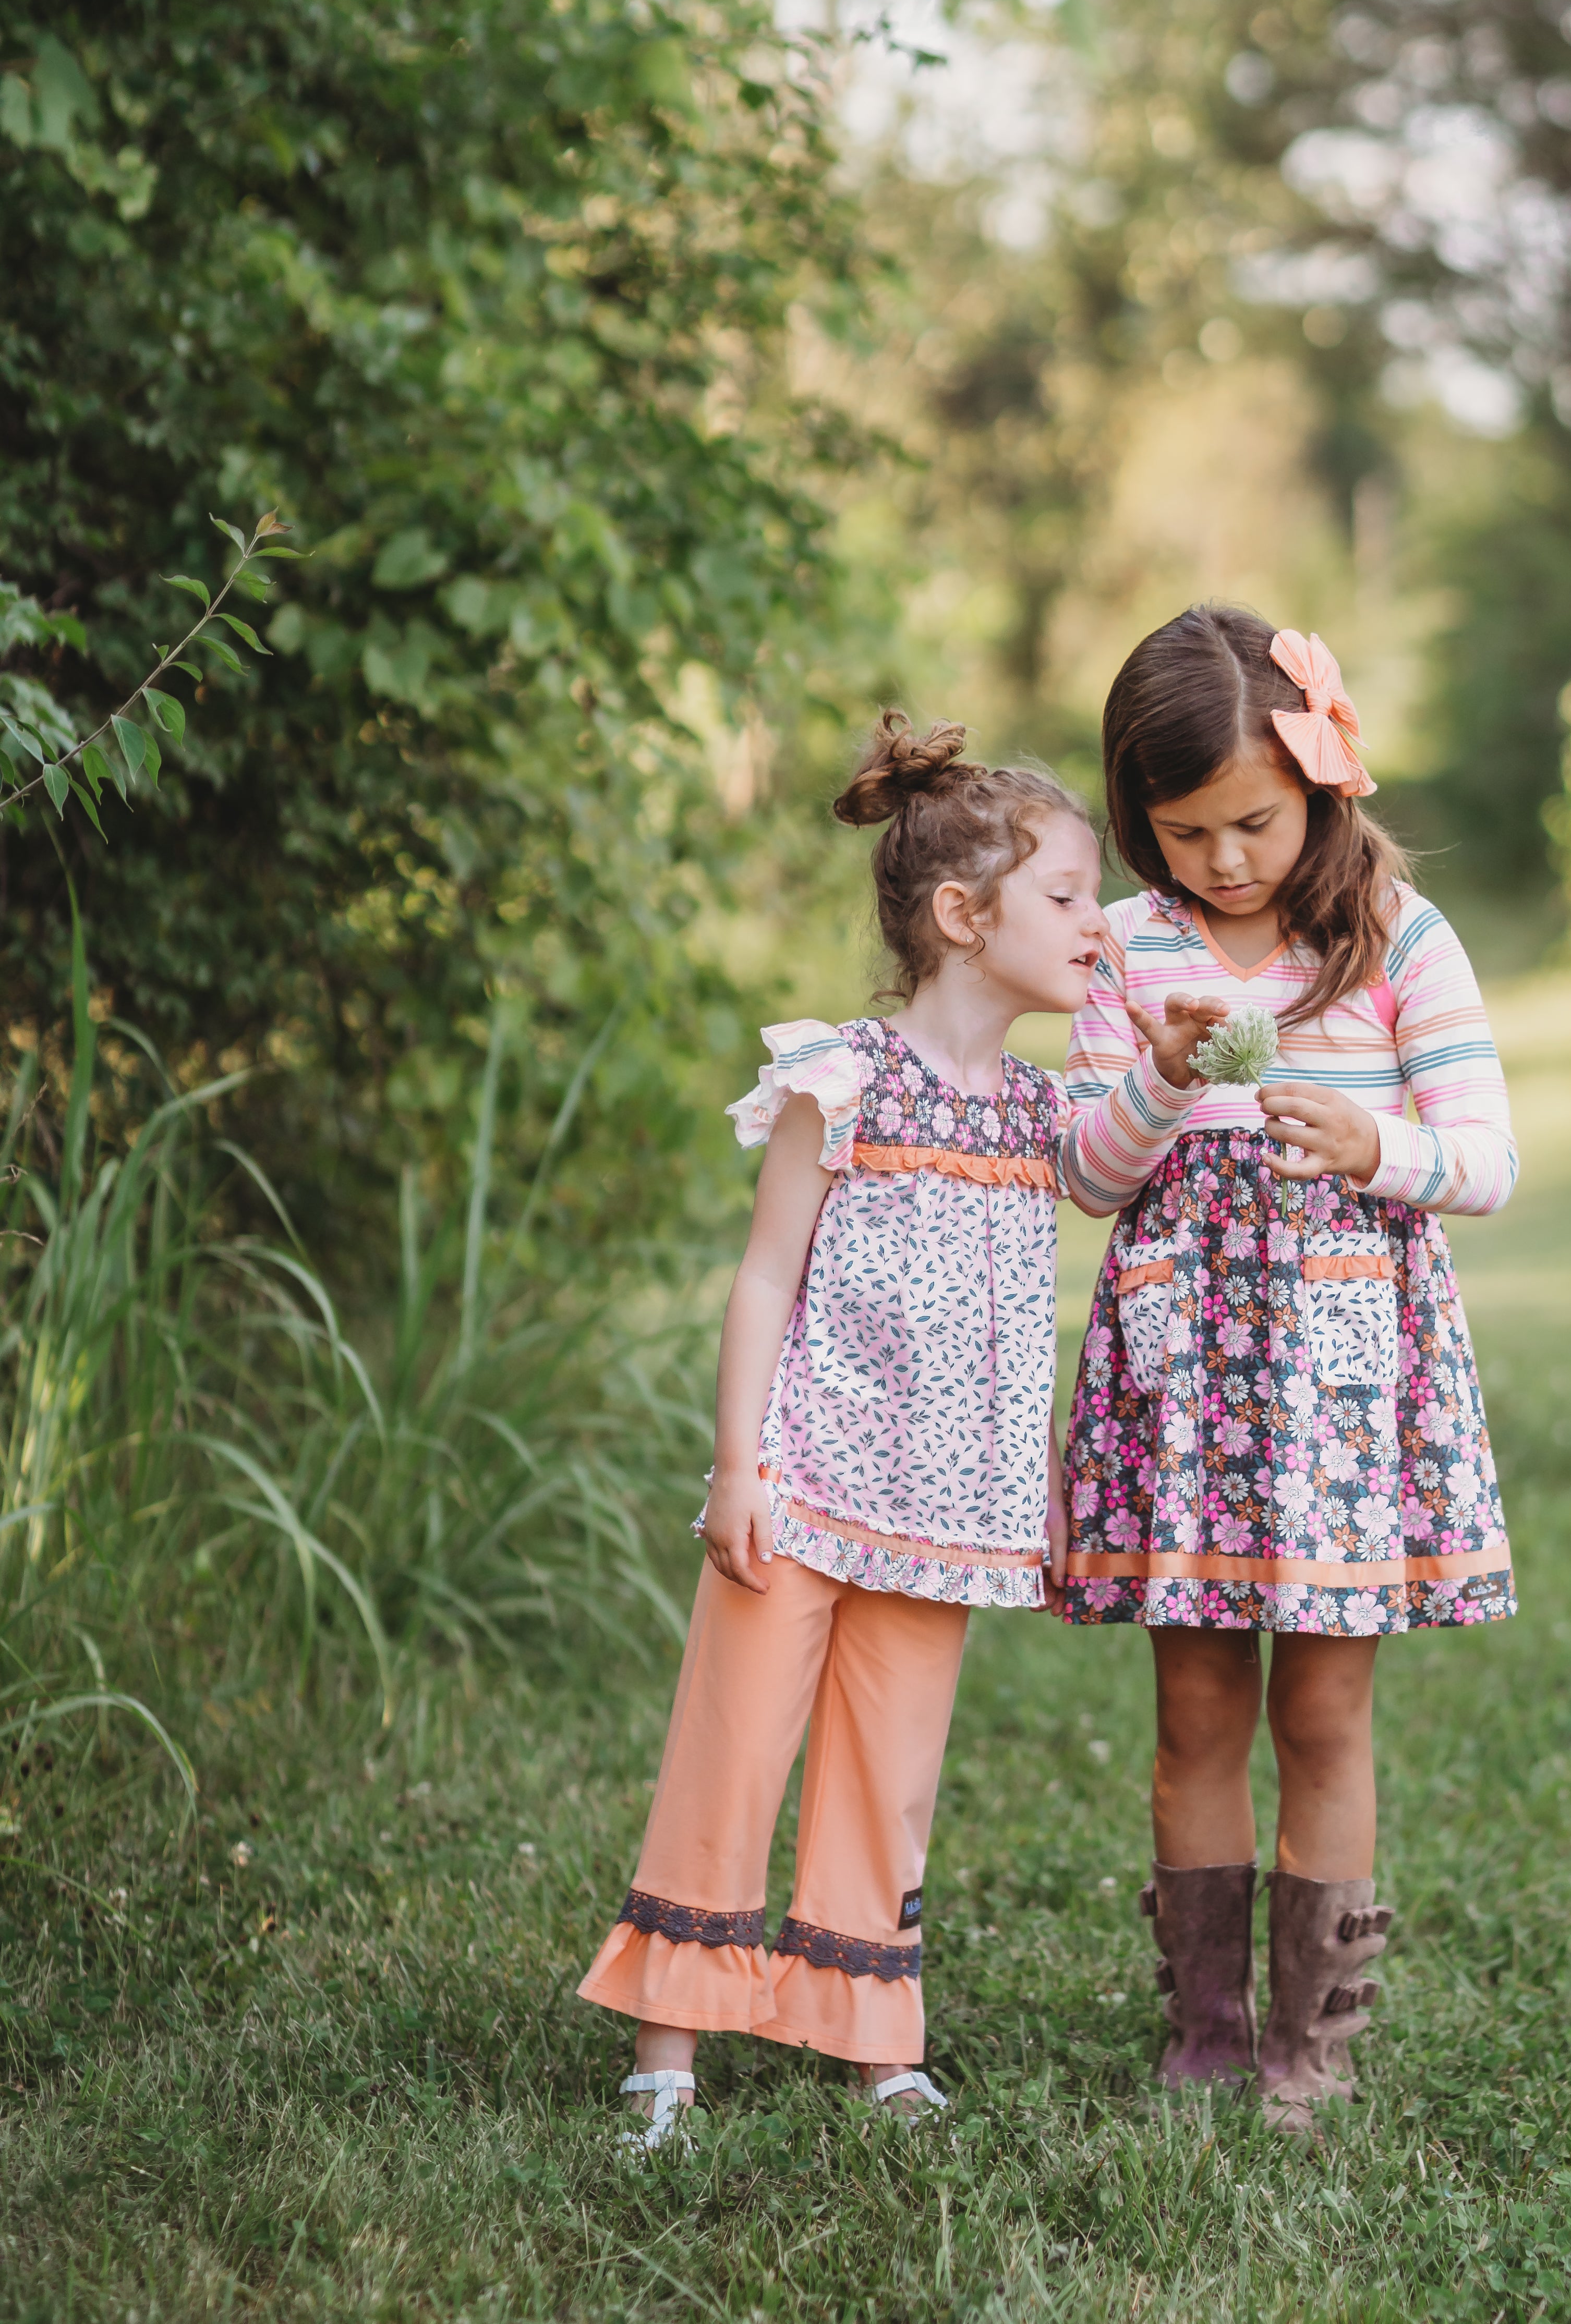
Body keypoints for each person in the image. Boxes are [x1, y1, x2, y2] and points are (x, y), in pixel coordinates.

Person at [578, 713, 1105, 2152]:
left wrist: (1172, 1059)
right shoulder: (844, 1083)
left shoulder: (1045, 1114)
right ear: (961, 916)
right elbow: (764, 1277)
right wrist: (739, 1464)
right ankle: (668, 2048)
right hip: (806, 1485)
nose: (1098, 926)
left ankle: (874, 2037)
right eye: (1069, 898)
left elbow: (1117, 1172)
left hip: (947, 1512)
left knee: (893, 1771)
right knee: (735, 1749)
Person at [1056, 604, 1518, 2131]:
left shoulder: (1394, 939)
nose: (1225, 862)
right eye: (1184, 833)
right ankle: (1204, 2023)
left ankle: (1308, 2050)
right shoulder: (1123, 952)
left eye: (1252, 821)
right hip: (1188, 1383)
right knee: (1197, 1712)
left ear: (1321, 780)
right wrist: (1160, 1074)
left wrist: (1378, 1147)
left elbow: (1489, 1161)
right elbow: (1090, 1173)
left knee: (1322, 1714)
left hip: (1337, 1386)